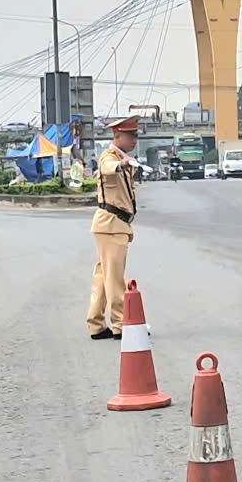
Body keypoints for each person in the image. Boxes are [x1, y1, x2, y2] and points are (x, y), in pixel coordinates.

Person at [86, 116, 139, 340]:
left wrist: (126, 163)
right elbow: (107, 168)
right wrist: (121, 165)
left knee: (103, 277)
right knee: (114, 278)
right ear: (117, 136)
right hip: (111, 224)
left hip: (114, 224)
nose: (134, 139)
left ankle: (96, 325)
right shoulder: (110, 157)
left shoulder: (123, 158)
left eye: (135, 135)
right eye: (130, 136)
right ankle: (119, 324)